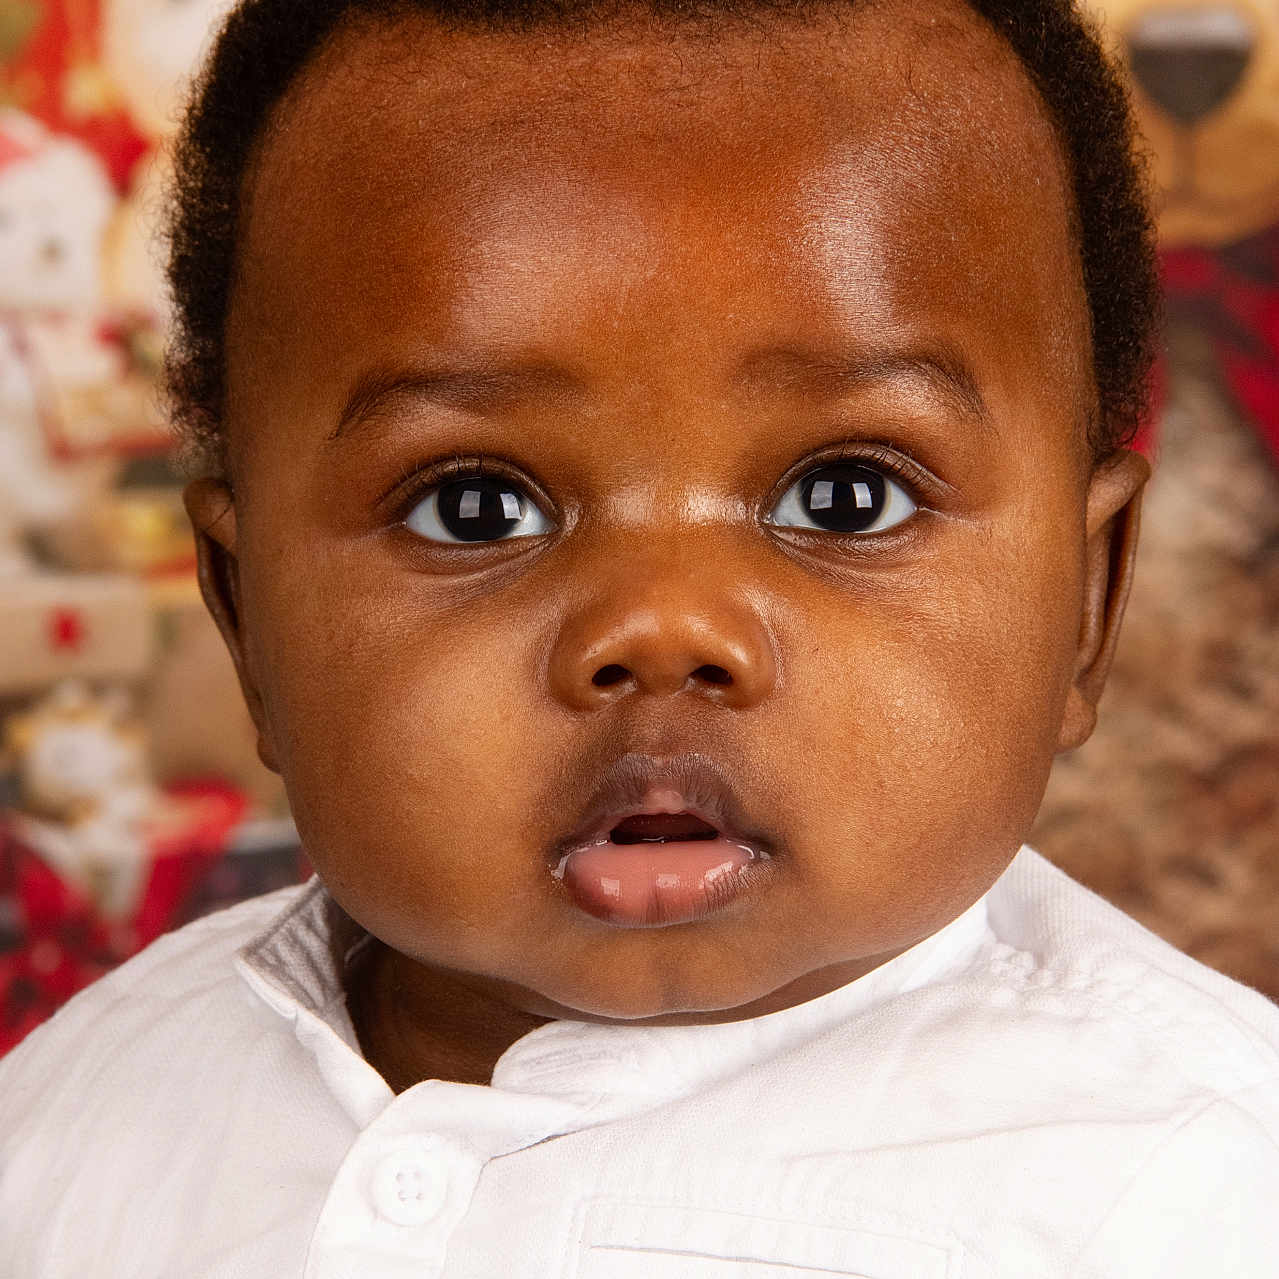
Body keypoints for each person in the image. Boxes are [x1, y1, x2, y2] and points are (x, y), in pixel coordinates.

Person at [3, 0, 1277, 1274]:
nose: (663, 629)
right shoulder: (84, 1105)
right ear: (245, 618)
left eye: (845, 494)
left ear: (1087, 601)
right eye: (473, 506)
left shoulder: (1193, 1190)